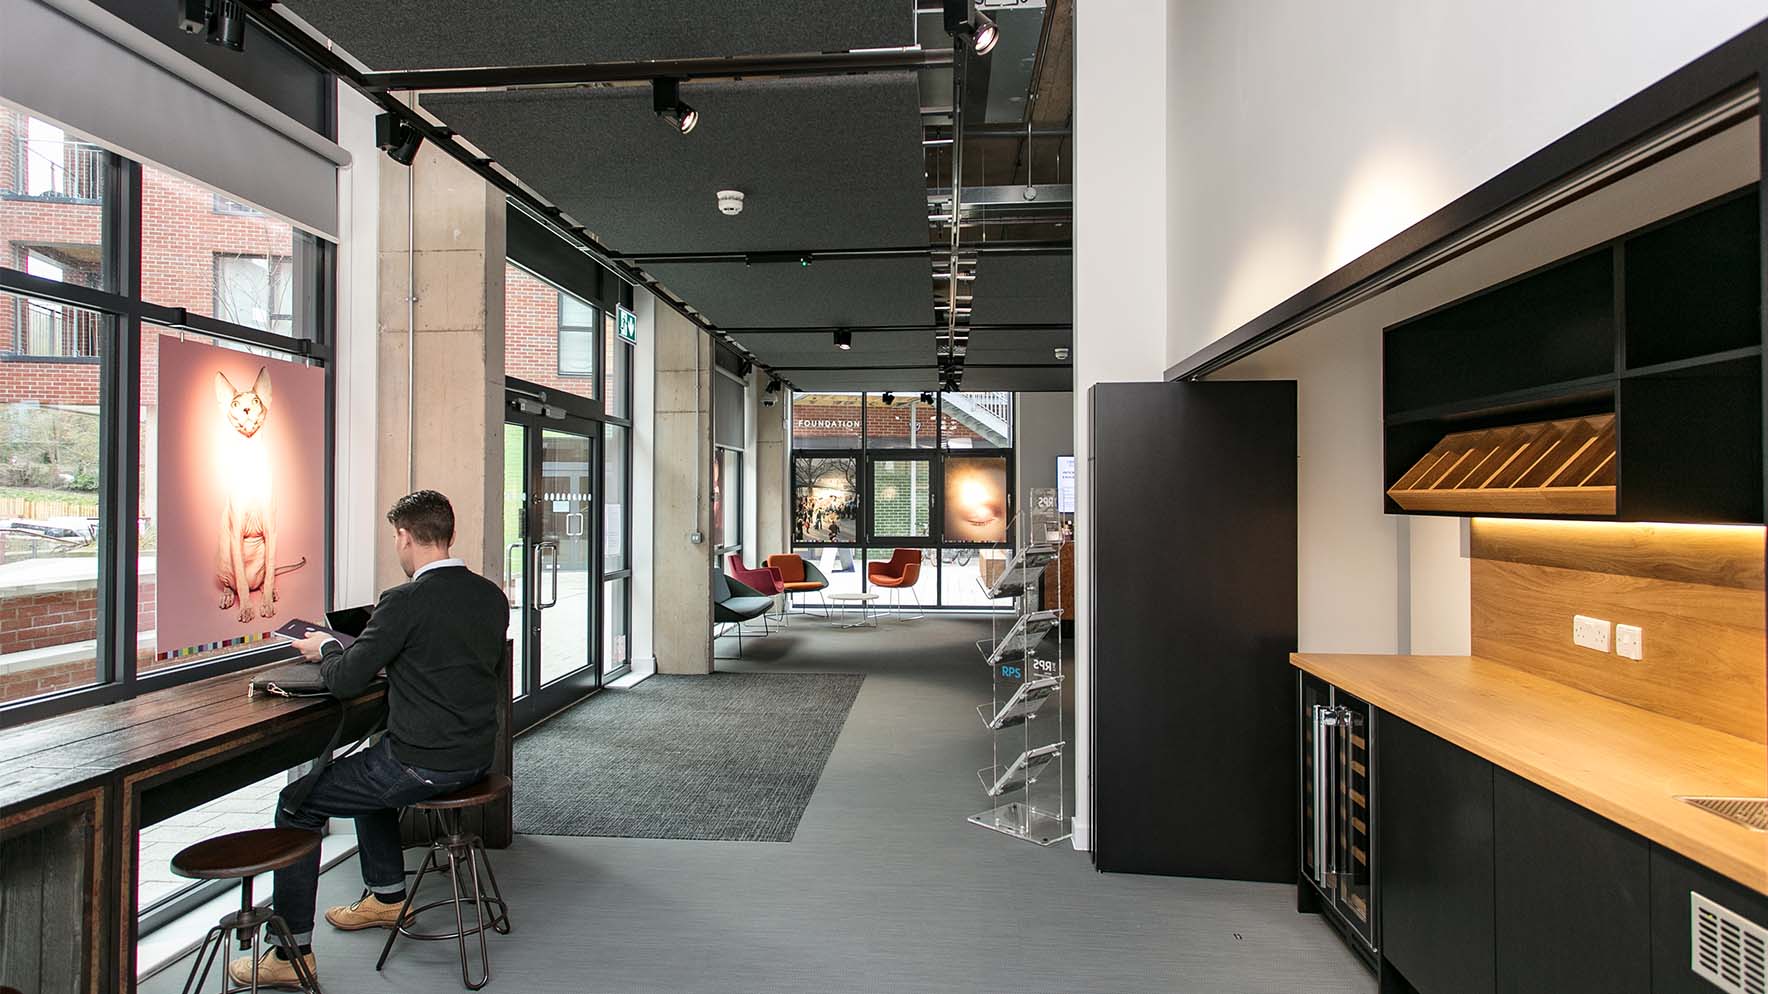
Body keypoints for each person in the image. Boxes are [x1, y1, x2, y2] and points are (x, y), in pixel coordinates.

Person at [232, 490, 509, 987]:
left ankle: (290, 954)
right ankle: (386, 897)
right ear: (448, 533)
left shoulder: (402, 601)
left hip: (422, 763)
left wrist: (326, 648)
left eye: (396, 538)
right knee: (365, 775)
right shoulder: (490, 595)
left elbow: (344, 681)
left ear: (404, 536)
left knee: (297, 804)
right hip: (475, 757)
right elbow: (450, 661)